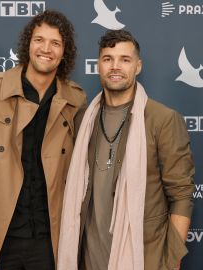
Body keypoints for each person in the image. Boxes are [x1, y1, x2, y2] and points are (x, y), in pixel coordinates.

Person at [0, 10, 87, 270]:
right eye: (39, 40)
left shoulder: (75, 100)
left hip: (48, 237)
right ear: (28, 44)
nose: (46, 49)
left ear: (64, 52)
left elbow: (79, 170)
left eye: (55, 43)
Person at [58, 30, 195, 270]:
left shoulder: (162, 119)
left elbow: (182, 195)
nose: (115, 66)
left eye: (125, 59)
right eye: (108, 58)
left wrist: (172, 260)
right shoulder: (82, 119)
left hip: (142, 257)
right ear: (99, 65)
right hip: (87, 258)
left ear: (138, 66)